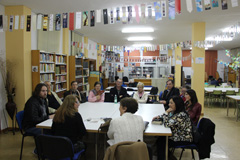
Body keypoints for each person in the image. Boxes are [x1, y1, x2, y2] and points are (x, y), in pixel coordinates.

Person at [153, 96, 193, 160]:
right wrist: (160, 116)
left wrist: (166, 112)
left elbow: (167, 124)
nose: (169, 105)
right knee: (160, 139)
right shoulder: (176, 112)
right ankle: (167, 156)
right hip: (177, 134)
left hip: (183, 138)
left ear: (177, 104)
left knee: (162, 141)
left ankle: (164, 157)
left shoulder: (181, 115)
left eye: (171, 103)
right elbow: (169, 119)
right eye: (169, 103)